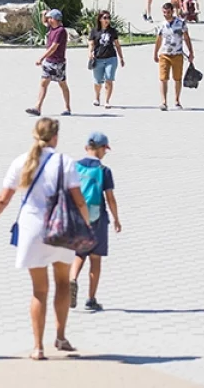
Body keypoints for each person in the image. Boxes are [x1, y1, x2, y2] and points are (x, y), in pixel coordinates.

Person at [0, 117, 89, 360]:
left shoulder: (21, 162)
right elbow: (78, 200)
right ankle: (60, 336)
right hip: (62, 229)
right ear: (55, 137)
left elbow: (3, 199)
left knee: (39, 290)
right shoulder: (65, 162)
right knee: (63, 283)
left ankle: (38, 347)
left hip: (31, 230)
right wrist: (87, 225)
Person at [69, 132, 121, 312]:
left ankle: (73, 279)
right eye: (105, 150)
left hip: (77, 217)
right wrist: (116, 219)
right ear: (100, 149)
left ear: (86, 148)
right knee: (95, 259)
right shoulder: (104, 171)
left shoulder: (74, 167)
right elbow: (110, 198)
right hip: (97, 217)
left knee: (79, 253)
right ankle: (91, 299)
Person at [26, 8, 71, 117]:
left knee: (62, 84)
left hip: (58, 62)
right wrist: (43, 14)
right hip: (49, 62)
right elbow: (44, 22)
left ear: (55, 19)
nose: (48, 20)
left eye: (50, 18)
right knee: (43, 83)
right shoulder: (52, 27)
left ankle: (67, 107)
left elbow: (53, 48)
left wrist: (41, 58)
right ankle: (38, 107)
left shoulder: (61, 31)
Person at [153, 2, 195, 110]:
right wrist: (155, 53)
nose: (166, 14)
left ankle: (177, 100)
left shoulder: (180, 23)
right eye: (164, 12)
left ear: (172, 11)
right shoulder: (161, 25)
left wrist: (191, 52)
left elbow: (186, 38)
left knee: (177, 78)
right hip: (164, 54)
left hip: (177, 54)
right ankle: (163, 101)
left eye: (168, 12)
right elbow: (158, 40)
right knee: (163, 78)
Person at [87, 12, 124, 109]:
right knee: (98, 81)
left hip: (111, 58)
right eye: (105, 18)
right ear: (100, 19)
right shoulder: (95, 31)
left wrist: (121, 57)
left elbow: (117, 45)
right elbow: (91, 43)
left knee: (109, 79)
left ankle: (107, 101)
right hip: (98, 59)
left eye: (108, 18)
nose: (107, 20)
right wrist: (90, 53)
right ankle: (97, 97)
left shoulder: (112, 31)